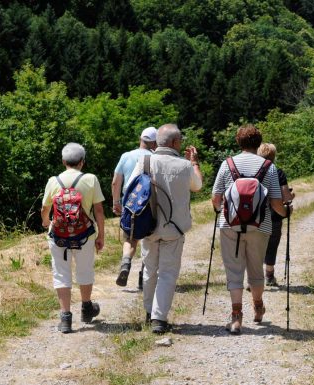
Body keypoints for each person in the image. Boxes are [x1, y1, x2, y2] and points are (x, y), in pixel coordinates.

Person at [211, 124, 291, 335]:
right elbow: (275, 203)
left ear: (238, 142)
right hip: (260, 225)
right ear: (258, 143)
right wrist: (286, 213)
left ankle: (236, 318)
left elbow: (216, 198)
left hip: (230, 225)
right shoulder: (268, 167)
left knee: (234, 270)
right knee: (256, 269)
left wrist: (222, 211)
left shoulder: (227, 165)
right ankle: (258, 306)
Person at [128, 123, 202, 333]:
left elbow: (131, 187)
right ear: (175, 142)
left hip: (147, 225)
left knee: (149, 270)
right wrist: (194, 163)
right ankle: (159, 320)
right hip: (174, 228)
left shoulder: (145, 160)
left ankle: (149, 312)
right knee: (168, 273)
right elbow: (197, 186)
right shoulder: (184, 166)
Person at [40, 143, 105, 333]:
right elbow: (99, 210)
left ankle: (66, 318)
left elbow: (45, 208)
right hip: (84, 234)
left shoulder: (54, 181)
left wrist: (46, 222)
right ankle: (86, 308)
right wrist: (101, 235)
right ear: (82, 162)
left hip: (58, 234)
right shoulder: (91, 179)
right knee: (85, 270)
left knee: (61, 272)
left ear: (63, 161)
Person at [111, 126, 157, 288]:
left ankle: (126, 263)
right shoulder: (156, 157)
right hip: (151, 203)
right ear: (155, 143)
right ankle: (143, 277)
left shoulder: (126, 156)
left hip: (130, 203)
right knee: (150, 240)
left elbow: (116, 181)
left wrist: (116, 203)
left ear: (140, 139)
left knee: (130, 238)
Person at [257, 143, 295, 286]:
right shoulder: (278, 172)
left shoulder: (253, 172)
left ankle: (253, 277)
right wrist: (291, 196)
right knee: (272, 245)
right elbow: (286, 197)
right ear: (274, 156)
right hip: (274, 215)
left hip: (254, 215)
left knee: (256, 246)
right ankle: (269, 276)